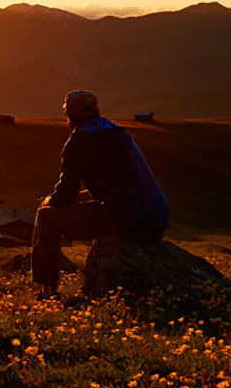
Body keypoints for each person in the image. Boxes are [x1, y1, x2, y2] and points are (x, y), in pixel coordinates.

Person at [32, 89, 169, 298]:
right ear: (98, 111)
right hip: (158, 221)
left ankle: (47, 288)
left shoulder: (78, 142)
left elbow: (65, 196)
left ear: (68, 115)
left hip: (129, 222)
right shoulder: (120, 133)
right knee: (97, 212)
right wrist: (82, 197)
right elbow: (118, 187)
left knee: (46, 218)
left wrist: (48, 201)